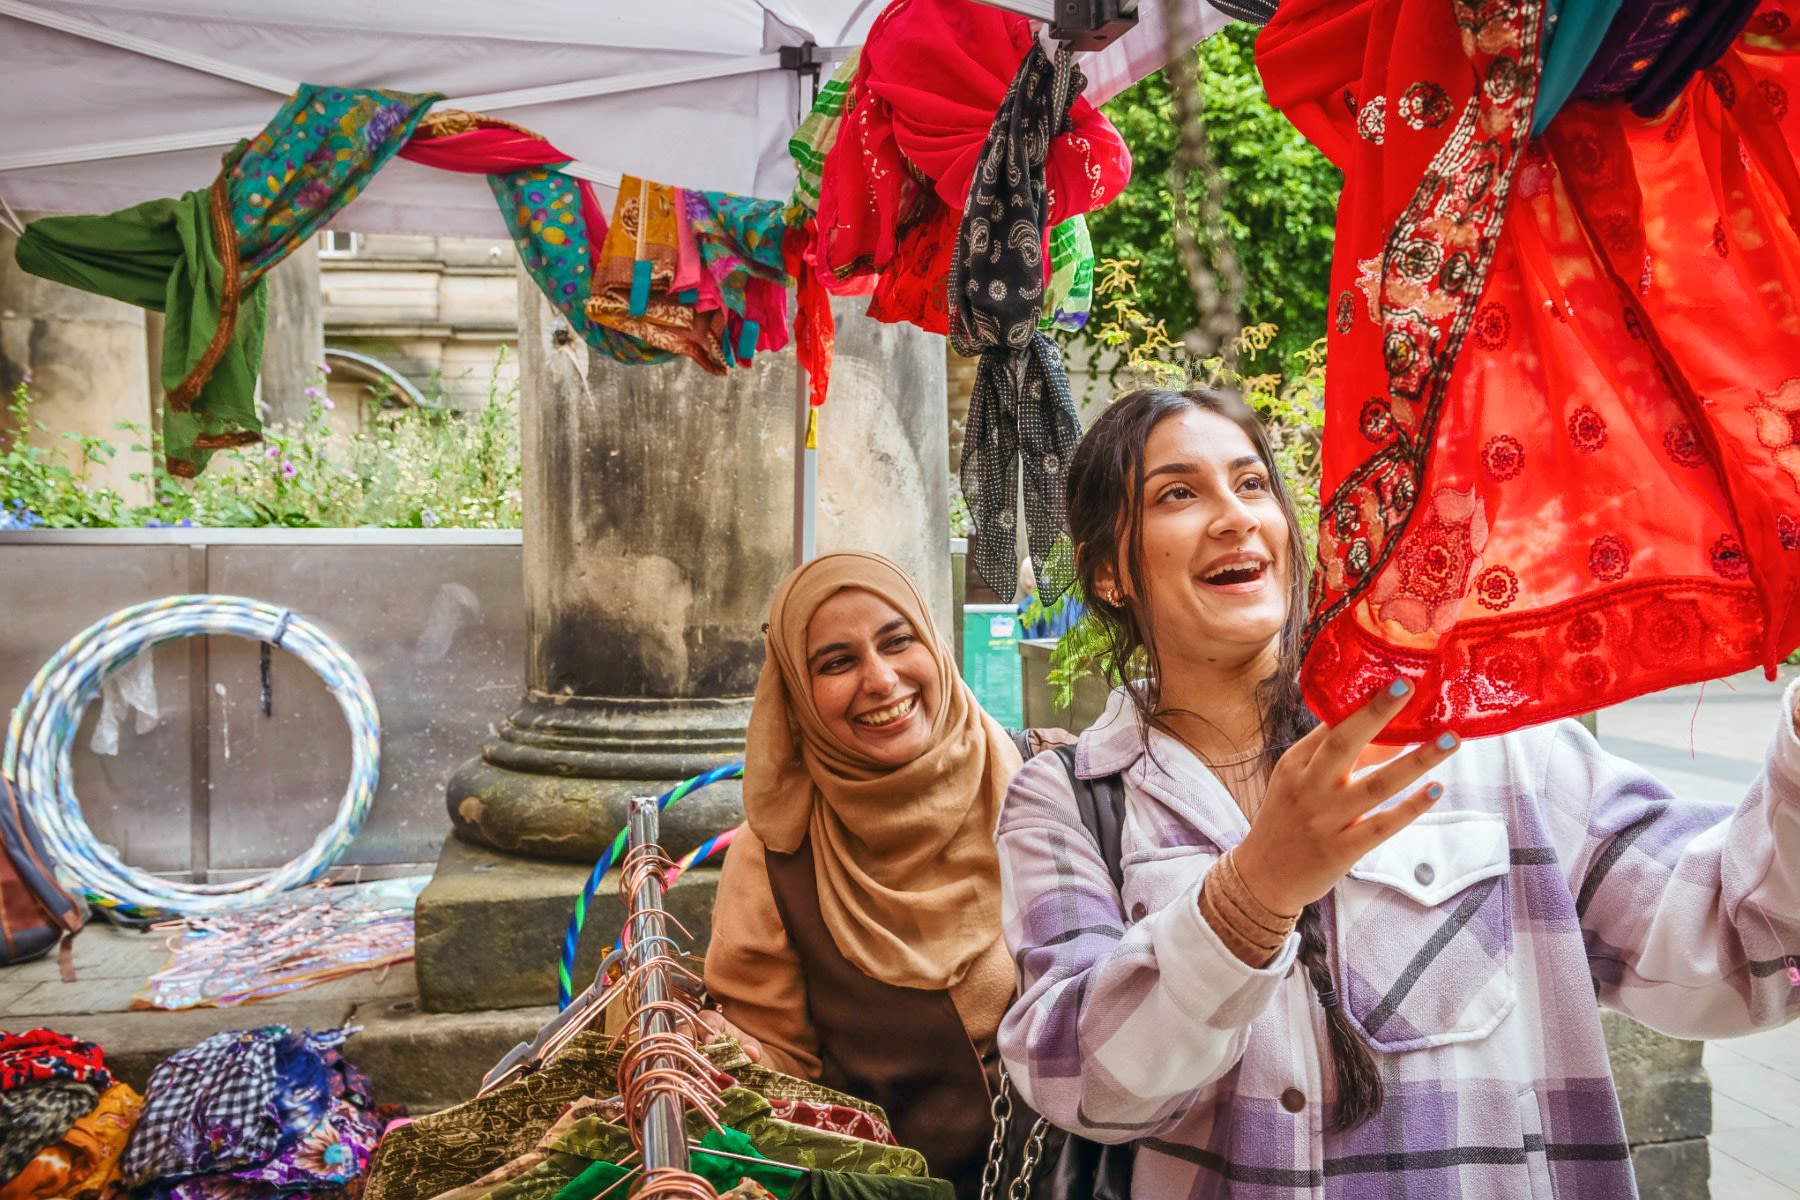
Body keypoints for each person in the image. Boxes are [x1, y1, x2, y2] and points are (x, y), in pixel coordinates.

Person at [994, 387, 1800, 1197]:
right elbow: (1085, 1085)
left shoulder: (1474, 742)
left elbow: (1741, 940)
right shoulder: (1063, 802)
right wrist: (1252, 894)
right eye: (1178, 493)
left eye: (1252, 484)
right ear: (1108, 574)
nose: (1236, 517)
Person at [703, 551, 1038, 1198]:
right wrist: (720, 1050)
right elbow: (775, 1081)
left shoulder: (1044, 785)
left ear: (934, 645)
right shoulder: (778, 856)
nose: (882, 680)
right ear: (797, 695)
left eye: (897, 641)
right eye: (837, 662)